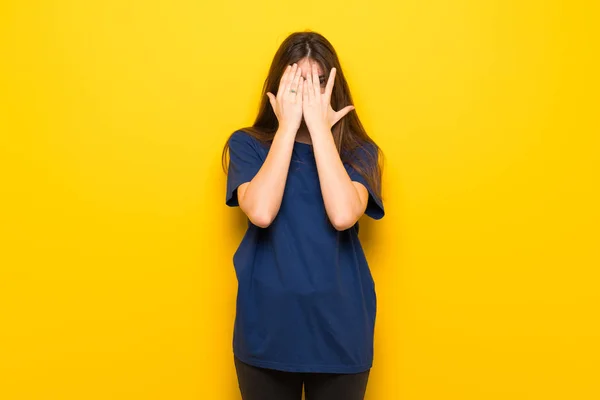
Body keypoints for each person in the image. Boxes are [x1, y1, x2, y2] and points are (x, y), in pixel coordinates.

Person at [222, 31, 385, 400]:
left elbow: (344, 214)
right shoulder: (247, 145)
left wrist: (319, 129)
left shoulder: (360, 152)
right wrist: (287, 127)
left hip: (341, 333)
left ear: (334, 88)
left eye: (319, 82)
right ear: (278, 86)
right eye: (297, 80)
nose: (309, 92)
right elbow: (261, 212)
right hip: (265, 330)